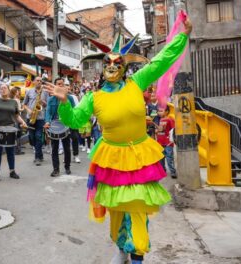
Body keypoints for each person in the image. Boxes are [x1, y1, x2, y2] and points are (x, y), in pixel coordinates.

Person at [45, 18, 192, 264]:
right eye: (108, 63)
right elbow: (73, 120)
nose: (112, 66)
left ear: (124, 67)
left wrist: (182, 36)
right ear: (103, 68)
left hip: (139, 156)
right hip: (111, 159)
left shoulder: (138, 83)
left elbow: (162, 60)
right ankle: (122, 247)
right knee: (116, 209)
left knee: (136, 209)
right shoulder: (94, 97)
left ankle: (137, 255)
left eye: (117, 63)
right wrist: (62, 102)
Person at [0, 84, 27, 182]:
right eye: (1, 88)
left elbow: (17, 116)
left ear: (8, 90)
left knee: (10, 151)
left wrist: (23, 122)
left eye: (4, 88)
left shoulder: (13, 102)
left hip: (10, 129)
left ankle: (12, 171)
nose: (2, 90)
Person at [44, 78, 75, 177]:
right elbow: (48, 112)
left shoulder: (69, 98)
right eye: (58, 84)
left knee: (66, 147)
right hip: (54, 125)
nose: (60, 86)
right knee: (54, 148)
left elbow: (73, 111)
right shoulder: (50, 99)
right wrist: (47, 122)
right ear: (55, 86)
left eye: (62, 84)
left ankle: (67, 167)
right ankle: (56, 169)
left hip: (66, 124)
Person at [23, 76, 48, 166]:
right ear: (34, 82)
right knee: (31, 137)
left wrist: (43, 102)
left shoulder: (45, 92)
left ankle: (37, 157)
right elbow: (24, 104)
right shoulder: (29, 91)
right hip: (31, 117)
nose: (39, 82)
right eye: (37, 80)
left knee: (38, 136)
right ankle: (40, 153)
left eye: (41, 81)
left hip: (40, 118)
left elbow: (47, 105)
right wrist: (29, 110)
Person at [156, 106, 176, 178]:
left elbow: (173, 130)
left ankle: (173, 172)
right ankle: (163, 171)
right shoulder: (161, 119)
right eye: (158, 111)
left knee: (169, 157)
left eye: (161, 111)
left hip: (168, 142)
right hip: (160, 142)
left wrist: (172, 140)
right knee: (161, 158)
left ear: (167, 111)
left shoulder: (170, 120)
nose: (159, 112)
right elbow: (161, 130)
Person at [10, 86, 25, 155]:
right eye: (17, 91)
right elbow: (16, 110)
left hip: (18, 117)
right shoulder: (14, 100)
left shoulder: (17, 99)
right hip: (16, 118)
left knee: (19, 134)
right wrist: (22, 109)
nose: (18, 92)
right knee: (17, 134)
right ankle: (17, 150)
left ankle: (18, 148)